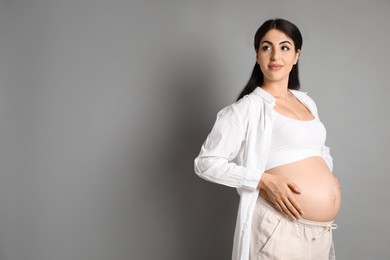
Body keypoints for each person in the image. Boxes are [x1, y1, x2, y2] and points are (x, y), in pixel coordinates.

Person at [194, 18, 341, 260]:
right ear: (257, 55)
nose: (275, 56)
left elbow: (318, 149)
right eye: (266, 47)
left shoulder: (306, 102)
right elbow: (205, 163)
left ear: (296, 55)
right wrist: (262, 180)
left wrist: (330, 181)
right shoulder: (246, 109)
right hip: (279, 229)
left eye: (284, 47)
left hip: (320, 235)